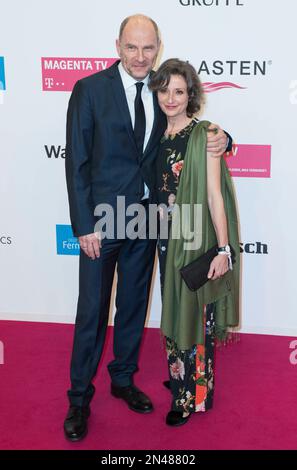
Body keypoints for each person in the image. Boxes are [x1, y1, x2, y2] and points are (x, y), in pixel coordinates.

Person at [64, 15, 232, 441]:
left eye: (148, 48)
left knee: (134, 307)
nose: (140, 57)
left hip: (146, 218)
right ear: (117, 46)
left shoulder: (162, 91)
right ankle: (79, 398)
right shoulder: (90, 90)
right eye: (132, 48)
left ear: (158, 47)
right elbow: (77, 162)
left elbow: (187, 129)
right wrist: (84, 224)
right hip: (102, 221)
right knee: (92, 312)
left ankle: (123, 380)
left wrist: (225, 138)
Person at [150, 58, 240, 426]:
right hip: (166, 238)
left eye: (179, 91)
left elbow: (216, 196)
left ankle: (193, 396)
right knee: (174, 308)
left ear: (191, 96)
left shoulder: (204, 134)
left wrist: (223, 249)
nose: (171, 98)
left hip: (195, 238)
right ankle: (179, 377)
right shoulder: (157, 133)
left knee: (194, 314)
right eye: (165, 90)